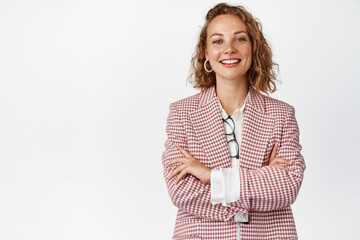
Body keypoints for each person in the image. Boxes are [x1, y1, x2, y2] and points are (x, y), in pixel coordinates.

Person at [162, 3, 306, 240]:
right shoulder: (182, 113)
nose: (229, 49)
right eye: (217, 41)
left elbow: (288, 186)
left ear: (253, 47)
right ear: (206, 53)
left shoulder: (282, 115)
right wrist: (263, 180)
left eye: (239, 39)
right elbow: (182, 192)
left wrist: (212, 177)